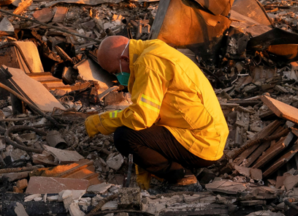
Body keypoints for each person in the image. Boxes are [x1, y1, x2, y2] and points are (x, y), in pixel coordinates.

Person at [85, 35, 228, 187]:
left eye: (115, 71)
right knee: (132, 130)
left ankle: (181, 176)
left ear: (124, 59)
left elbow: (141, 118)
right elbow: (149, 116)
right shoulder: (153, 51)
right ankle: (187, 168)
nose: (116, 76)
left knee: (125, 137)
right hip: (206, 136)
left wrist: (102, 121)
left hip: (202, 142)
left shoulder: (149, 63)